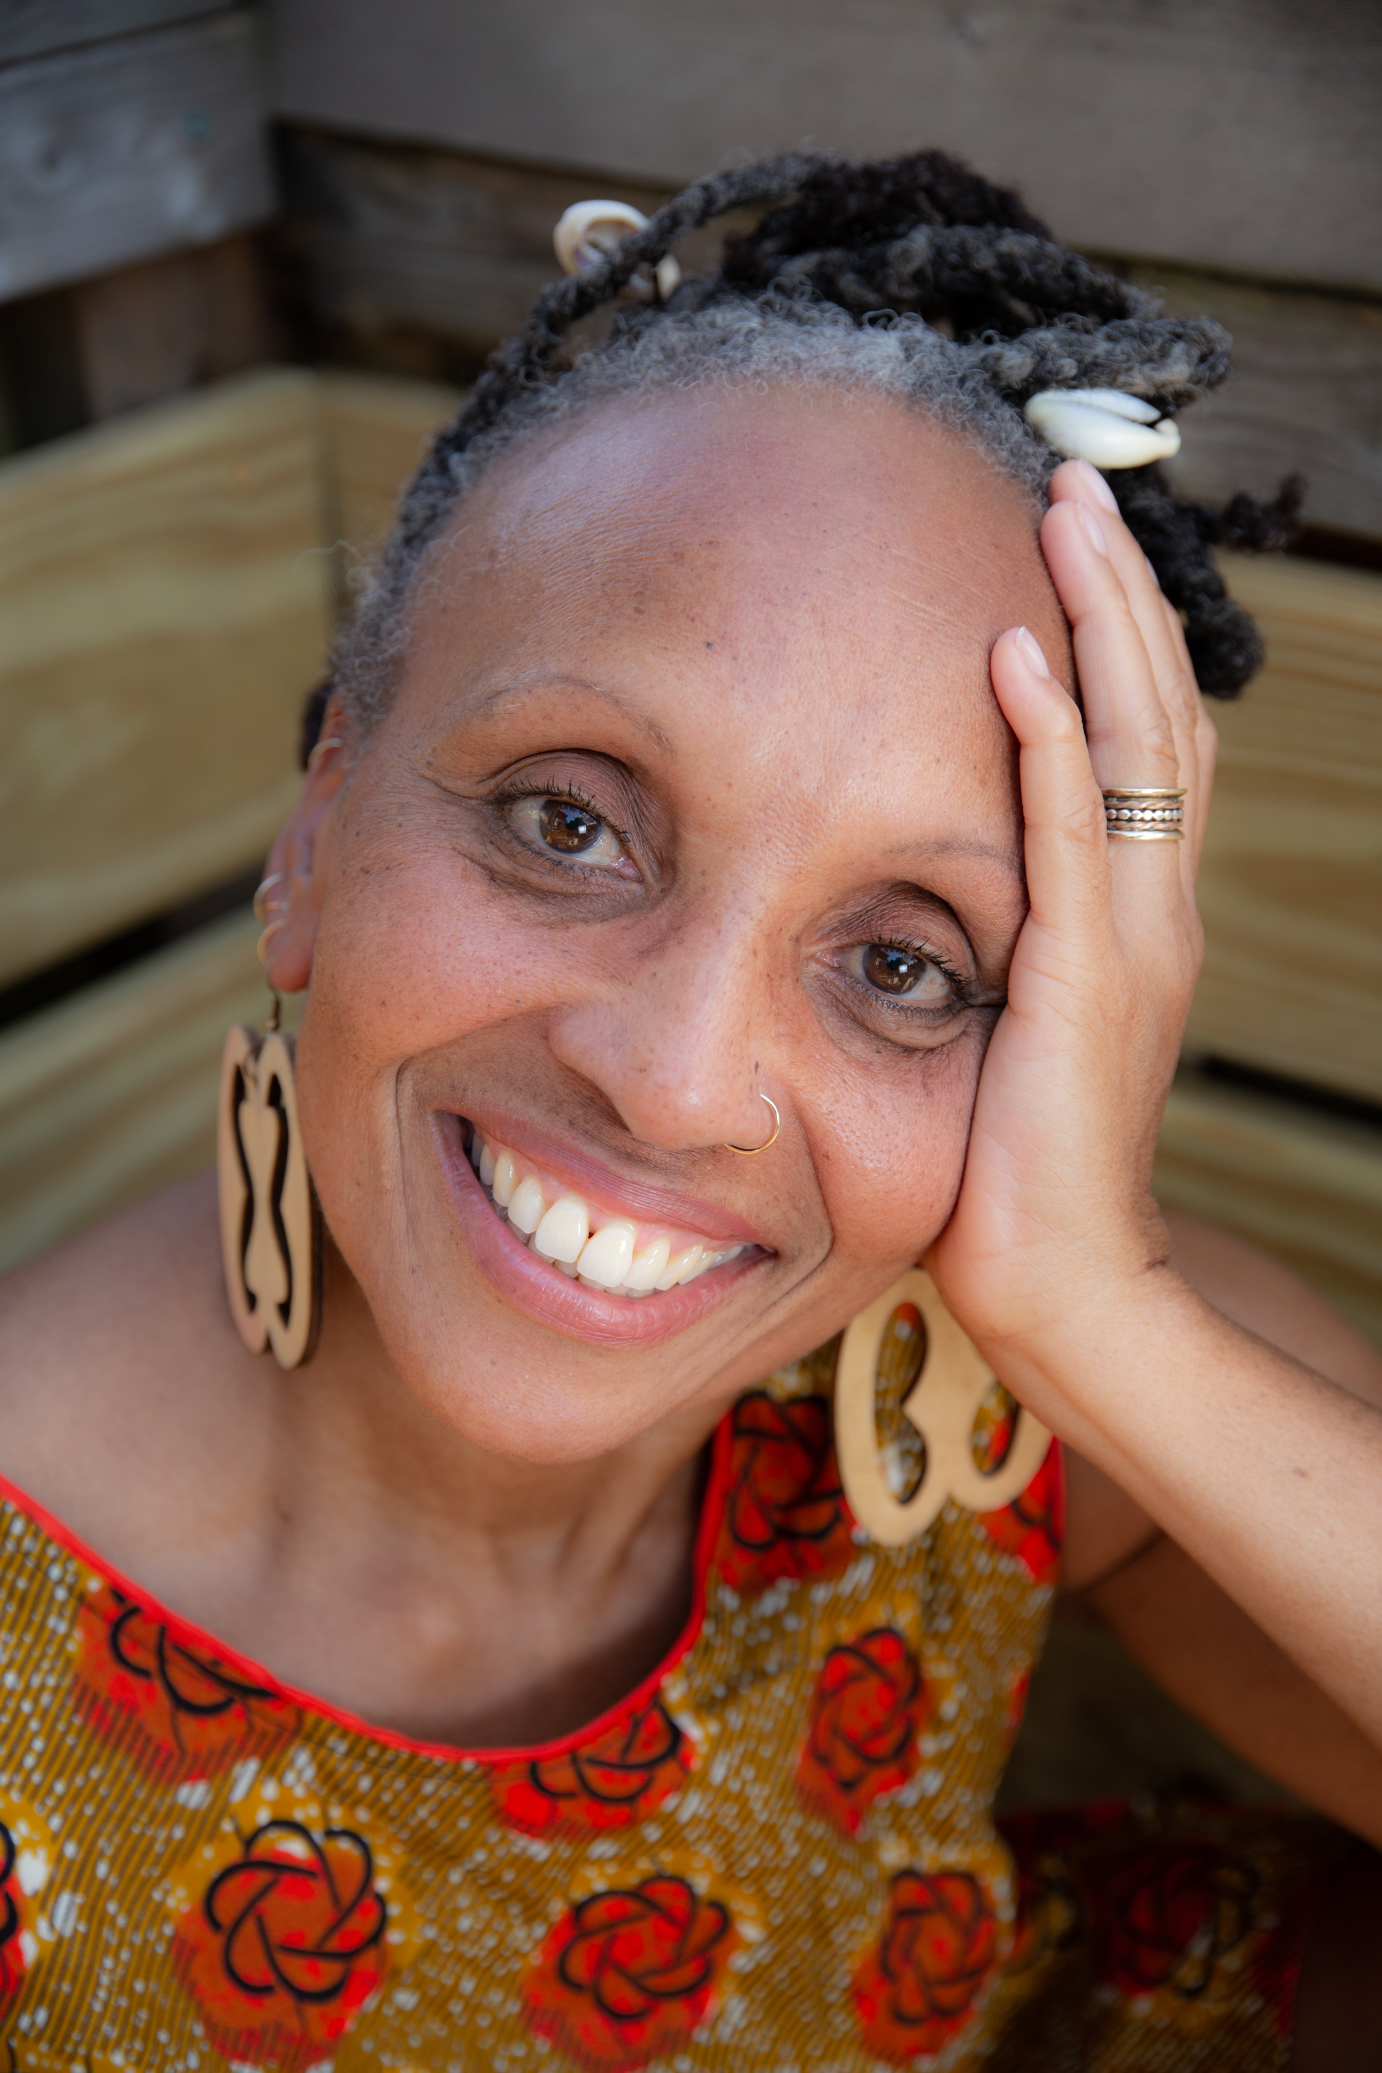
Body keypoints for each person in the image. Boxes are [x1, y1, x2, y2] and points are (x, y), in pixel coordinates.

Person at [0, 149, 1377, 2073]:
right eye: (569, 822)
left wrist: (1102, 1310)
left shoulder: (980, 1399)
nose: (670, 1076)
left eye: (903, 963)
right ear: (318, 822)